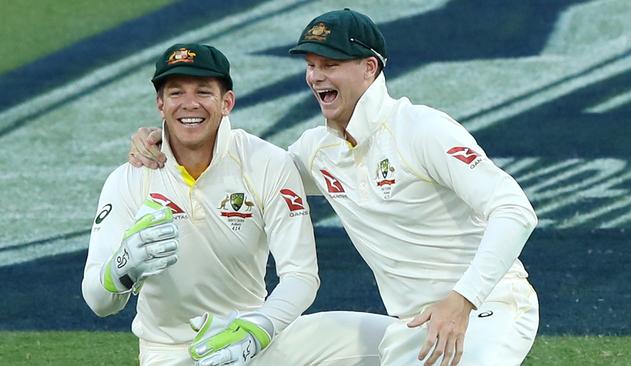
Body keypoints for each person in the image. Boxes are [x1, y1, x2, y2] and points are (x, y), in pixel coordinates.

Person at [129, 9, 540, 366]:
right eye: (311, 64)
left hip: (488, 308)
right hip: (412, 325)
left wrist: (461, 300)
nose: (315, 76)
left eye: (329, 64)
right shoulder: (317, 151)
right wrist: (168, 137)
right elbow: (249, 174)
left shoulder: (420, 129)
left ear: (369, 68)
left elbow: (515, 211)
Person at [83, 42, 394, 366]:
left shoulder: (266, 163)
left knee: (407, 340)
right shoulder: (130, 178)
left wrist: (258, 328)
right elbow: (98, 301)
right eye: (176, 93)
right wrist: (120, 268)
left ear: (226, 102)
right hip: (171, 354)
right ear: (160, 104)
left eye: (203, 92)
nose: (190, 105)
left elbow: (301, 276)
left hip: (257, 339)